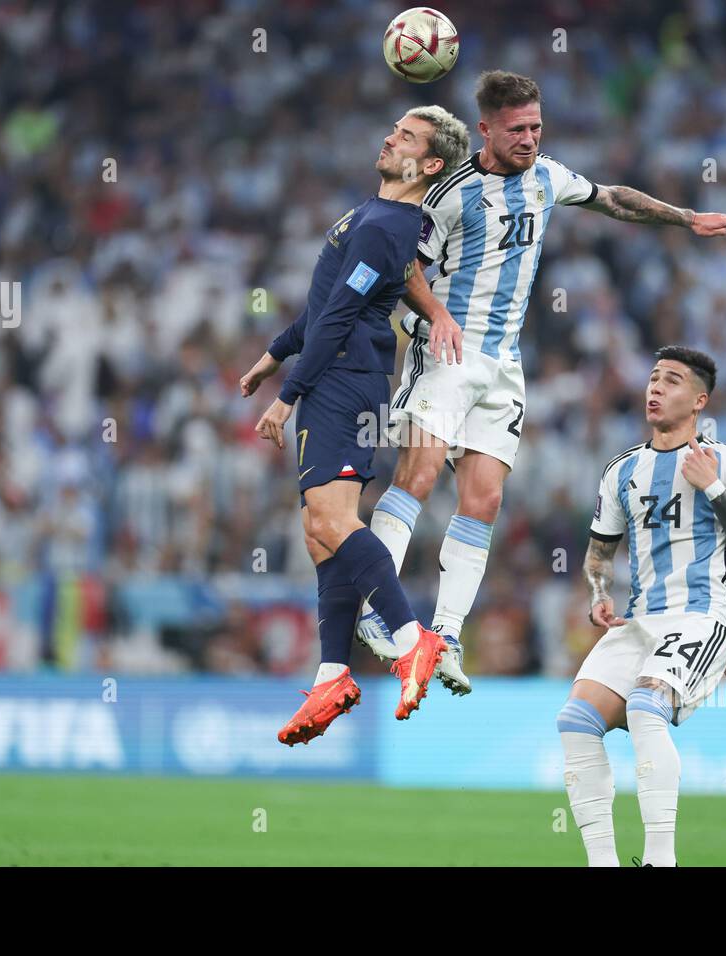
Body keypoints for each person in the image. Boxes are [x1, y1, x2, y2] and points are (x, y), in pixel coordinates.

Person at [357, 70, 726, 696]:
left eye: (537, 127)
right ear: (485, 129)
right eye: (517, 130)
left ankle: (445, 635)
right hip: (450, 353)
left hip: (504, 365)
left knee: (483, 500)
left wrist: (684, 217)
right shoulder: (451, 193)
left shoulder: (547, 177)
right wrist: (433, 317)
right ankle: (378, 606)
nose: (531, 139)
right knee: (420, 474)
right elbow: (403, 264)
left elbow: (612, 198)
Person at [238, 107, 471, 745]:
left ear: (429, 165)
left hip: (342, 385)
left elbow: (340, 315)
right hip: (340, 379)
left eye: (407, 136)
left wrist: (290, 394)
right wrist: (276, 351)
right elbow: (327, 302)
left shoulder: (390, 226)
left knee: (334, 523)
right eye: (394, 128)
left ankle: (408, 638)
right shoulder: (372, 215)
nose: (390, 135)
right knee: (320, 536)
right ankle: (333, 673)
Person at [557, 346, 726, 866]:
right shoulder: (622, 469)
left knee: (644, 704)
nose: (655, 388)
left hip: (703, 614)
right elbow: (598, 554)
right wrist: (599, 594)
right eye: (653, 378)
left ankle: (660, 860)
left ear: (699, 400)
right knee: (574, 720)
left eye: (672, 381)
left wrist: (715, 490)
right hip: (641, 622)